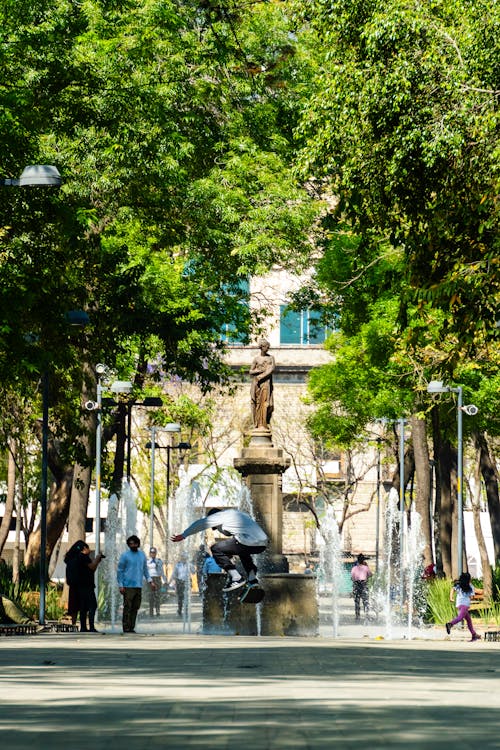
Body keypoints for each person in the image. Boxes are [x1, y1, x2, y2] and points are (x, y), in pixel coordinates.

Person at [171, 507, 268, 592]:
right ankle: (252, 579)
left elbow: (201, 523)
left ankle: (236, 577)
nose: (218, 530)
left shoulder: (219, 516)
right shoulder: (237, 514)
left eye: (216, 528)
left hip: (247, 541)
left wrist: (184, 535)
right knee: (242, 552)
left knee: (215, 548)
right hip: (262, 544)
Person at [117, 535, 155, 633]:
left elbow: (145, 570)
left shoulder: (142, 555)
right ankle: (126, 627)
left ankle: (131, 627)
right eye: (130, 544)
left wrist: (150, 581)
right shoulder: (125, 555)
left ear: (138, 544)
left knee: (135, 607)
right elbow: (120, 570)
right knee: (127, 607)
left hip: (138, 585)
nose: (132, 545)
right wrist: (121, 584)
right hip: (128, 586)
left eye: (134, 543)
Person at [64, 540, 104, 632]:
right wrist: (97, 559)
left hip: (76, 587)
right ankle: (92, 627)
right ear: (84, 549)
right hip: (86, 585)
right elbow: (92, 567)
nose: (89, 550)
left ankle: (83, 627)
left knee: (83, 607)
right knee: (92, 606)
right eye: (88, 547)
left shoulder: (71, 559)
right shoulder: (83, 557)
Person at [446, 572, 481, 642]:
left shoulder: (459, 585)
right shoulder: (471, 586)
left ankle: (474, 635)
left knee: (468, 620)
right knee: (460, 617)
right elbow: (472, 596)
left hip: (459, 604)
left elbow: (452, 590)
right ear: (468, 579)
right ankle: (450, 624)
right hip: (465, 605)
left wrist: (451, 597)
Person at [249, 339, 275, 429]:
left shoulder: (271, 358)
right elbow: (251, 371)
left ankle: (264, 423)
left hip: (266, 383)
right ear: (262, 347)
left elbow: (271, 369)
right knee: (258, 403)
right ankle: (258, 424)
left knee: (268, 404)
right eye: (267, 347)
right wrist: (259, 371)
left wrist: (262, 376)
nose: (268, 348)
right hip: (257, 384)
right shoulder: (256, 359)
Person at [351, 553, 372, 621]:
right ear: (363, 561)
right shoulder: (366, 567)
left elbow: (352, 578)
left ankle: (357, 616)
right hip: (363, 584)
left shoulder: (354, 568)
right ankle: (367, 615)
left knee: (357, 601)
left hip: (356, 585)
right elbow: (370, 575)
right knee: (365, 601)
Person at [146, 547, 165, 617]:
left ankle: (157, 611)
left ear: (156, 553)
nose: (152, 554)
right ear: (149, 553)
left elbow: (162, 572)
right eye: (151, 552)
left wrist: (165, 580)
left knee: (157, 596)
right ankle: (151, 612)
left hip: (157, 579)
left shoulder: (159, 561)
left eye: (154, 552)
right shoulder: (147, 562)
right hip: (150, 579)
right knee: (151, 596)